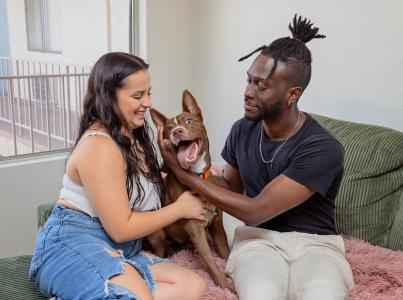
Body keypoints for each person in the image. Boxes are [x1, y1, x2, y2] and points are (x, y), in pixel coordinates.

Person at [158, 15, 355, 300]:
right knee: (260, 294)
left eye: (261, 86)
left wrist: (184, 175)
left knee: (322, 294)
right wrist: (195, 166)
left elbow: (256, 209)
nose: (248, 92)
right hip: (259, 242)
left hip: (318, 245)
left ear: (292, 94)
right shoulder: (243, 129)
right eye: (249, 80)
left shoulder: (323, 146)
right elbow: (230, 186)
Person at [29, 52, 208, 300]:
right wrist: (180, 209)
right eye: (138, 95)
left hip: (119, 249)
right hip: (74, 244)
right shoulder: (99, 146)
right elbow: (122, 229)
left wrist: (200, 169)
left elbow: (143, 189)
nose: (147, 103)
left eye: (148, 93)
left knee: (193, 286)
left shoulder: (133, 135)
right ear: (109, 97)